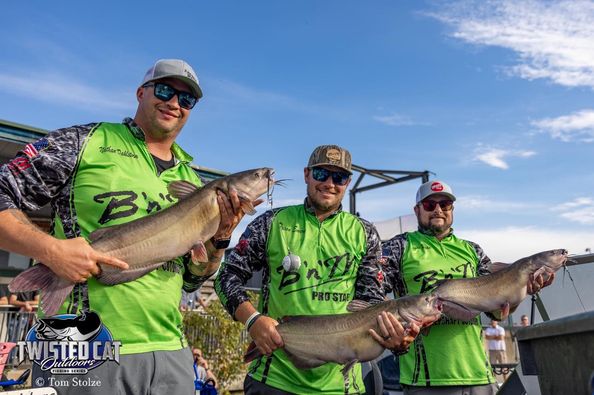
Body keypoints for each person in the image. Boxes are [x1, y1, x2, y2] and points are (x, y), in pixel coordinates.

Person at [0, 59, 251, 394]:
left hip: (168, 352)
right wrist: (51, 250)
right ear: (141, 92)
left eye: (186, 99)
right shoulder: (85, 141)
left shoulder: (192, 182)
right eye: (165, 90)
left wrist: (221, 237)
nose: (174, 103)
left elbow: (192, 279)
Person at [215, 145, 417, 395]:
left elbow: (371, 303)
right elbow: (227, 276)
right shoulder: (271, 222)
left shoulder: (365, 233)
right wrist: (253, 320)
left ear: (348, 182)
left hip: (341, 386)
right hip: (274, 380)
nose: (330, 183)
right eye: (322, 174)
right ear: (306, 174)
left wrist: (398, 341)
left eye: (339, 177)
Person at [382, 180, 555, 395]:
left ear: (452, 210)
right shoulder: (399, 246)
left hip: (480, 375)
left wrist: (524, 290)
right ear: (417, 210)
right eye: (429, 205)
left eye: (444, 204)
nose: (438, 210)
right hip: (425, 380)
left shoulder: (473, 250)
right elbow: (374, 298)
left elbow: (496, 312)